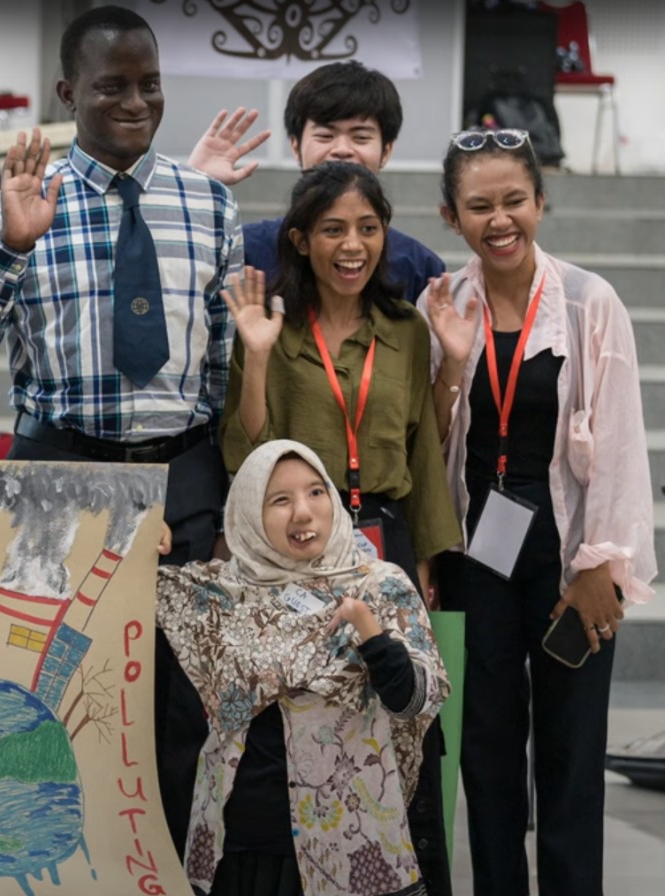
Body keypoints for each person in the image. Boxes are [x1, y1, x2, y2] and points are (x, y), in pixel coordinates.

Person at [0, 5, 238, 857]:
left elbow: (222, 364)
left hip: (182, 482)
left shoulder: (207, 203)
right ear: (68, 91)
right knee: (57, 699)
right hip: (60, 477)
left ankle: (177, 872)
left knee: (185, 704)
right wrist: (9, 243)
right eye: (111, 86)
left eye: (149, 84)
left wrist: (211, 490)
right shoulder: (21, 202)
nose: (135, 102)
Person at [420, 128, 656, 896]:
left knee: (571, 752)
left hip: (570, 554)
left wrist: (604, 567)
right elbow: (431, 436)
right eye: (479, 205)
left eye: (514, 201)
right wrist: (452, 361)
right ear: (451, 216)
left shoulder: (590, 302)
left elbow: (621, 445)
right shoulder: (445, 302)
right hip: (478, 556)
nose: (500, 220)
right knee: (486, 751)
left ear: (541, 202)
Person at [218, 162, 458, 893]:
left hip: (387, 540)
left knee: (394, 715)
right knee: (315, 717)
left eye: (368, 228)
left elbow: (423, 448)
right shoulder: (273, 326)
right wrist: (256, 357)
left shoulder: (406, 329)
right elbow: (247, 454)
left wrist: (430, 557)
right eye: (332, 230)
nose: (352, 245)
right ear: (300, 238)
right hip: (303, 546)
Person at [157, 439, 447, 896]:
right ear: (248, 513)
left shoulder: (380, 584)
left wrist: (371, 634)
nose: (303, 513)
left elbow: (417, 701)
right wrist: (137, 535)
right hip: (242, 846)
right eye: (279, 500)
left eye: (315, 492)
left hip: (352, 846)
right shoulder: (216, 594)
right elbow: (112, 584)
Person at [188, 60, 446, 303]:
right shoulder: (247, 250)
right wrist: (191, 188)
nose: (342, 149)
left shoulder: (419, 267)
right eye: (325, 135)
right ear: (295, 146)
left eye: (360, 137)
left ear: (386, 151)